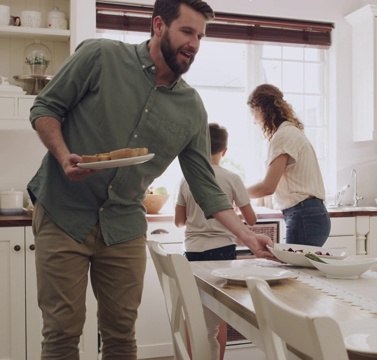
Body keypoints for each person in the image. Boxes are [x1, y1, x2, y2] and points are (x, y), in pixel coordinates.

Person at [26, 1, 273, 359]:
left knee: (122, 336)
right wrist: (64, 156)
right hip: (64, 211)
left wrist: (249, 236)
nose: (195, 44)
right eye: (187, 32)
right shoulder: (101, 56)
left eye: (200, 36)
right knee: (62, 333)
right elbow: (45, 108)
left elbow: (205, 184)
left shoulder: (191, 107)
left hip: (123, 224)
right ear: (158, 25)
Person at [174, 123, 257, 360]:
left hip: (192, 253)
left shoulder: (185, 178)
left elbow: (179, 221)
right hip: (222, 252)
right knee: (217, 317)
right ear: (225, 150)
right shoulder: (231, 178)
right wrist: (229, 212)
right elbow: (251, 219)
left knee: (196, 315)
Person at [246, 84, 331, 246]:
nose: (253, 120)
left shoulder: (283, 136)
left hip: (304, 215)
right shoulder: (290, 132)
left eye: (253, 113)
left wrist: (236, 193)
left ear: (260, 109)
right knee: (301, 269)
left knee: (296, 270)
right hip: (309, 214)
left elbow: (268, 187)